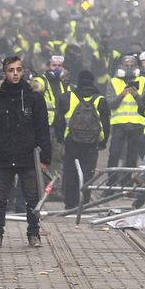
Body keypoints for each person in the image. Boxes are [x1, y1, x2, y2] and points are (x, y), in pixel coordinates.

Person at [0, 55, 50, 248]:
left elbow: (42, 129)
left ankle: (33, 234)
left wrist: (45, 156)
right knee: (0, 198)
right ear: (4, 73)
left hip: (27, 156)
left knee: (31, 198)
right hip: (4, 156)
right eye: (11, 70)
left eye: (19, 70)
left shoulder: (34, 99)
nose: (15, 74)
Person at [55, 70, 109, 209]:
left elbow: (59, 121)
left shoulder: (67, 97)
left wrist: (60, 138)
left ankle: (70, 202)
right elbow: (106, 124)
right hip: (92, 143)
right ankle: (84, 201)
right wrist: (103, 142)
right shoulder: (100, 100)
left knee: (70, 171)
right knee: (88, 172)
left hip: (71, 141)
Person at [105, 54, 145, 171]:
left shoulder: (143, 81)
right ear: (120, 67)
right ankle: (111, 183)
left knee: (132, 157)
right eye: (126, 66)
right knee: (114, 154)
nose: (129, 68)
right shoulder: (113, 82)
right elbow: (110, 104)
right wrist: (122, 95)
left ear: (136, 67)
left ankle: (127, 184)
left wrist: (136, 96)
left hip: (136, 124)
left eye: (131, 66)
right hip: (119, 124)